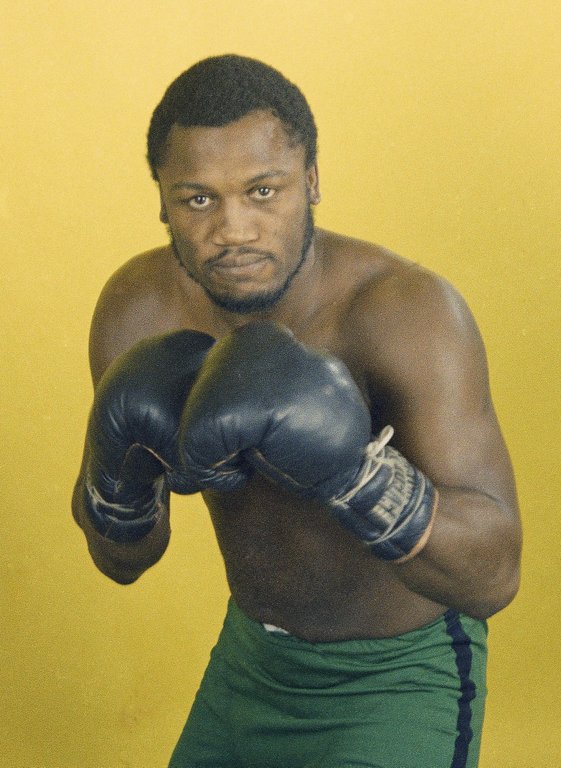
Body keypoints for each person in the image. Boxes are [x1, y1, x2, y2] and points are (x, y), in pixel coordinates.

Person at [72, 54, 522, 768]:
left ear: (311, 182)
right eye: (198, 200)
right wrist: (116, 490)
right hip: (248, 664)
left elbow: (491, 579)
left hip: (397, 677)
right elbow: (123, 561)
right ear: (161, 201)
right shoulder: (140, 312)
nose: (234, 230)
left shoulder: (405, 313)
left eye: (263, 191)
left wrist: (356, 475)